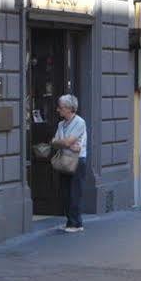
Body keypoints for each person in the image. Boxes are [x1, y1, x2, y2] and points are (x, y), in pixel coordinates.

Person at [54, 94, 88, 232]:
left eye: (60, 107)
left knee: (74, 192)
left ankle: (76, 223)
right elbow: (54, 142)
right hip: (64, 160)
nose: (58, 110)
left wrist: (63, 143)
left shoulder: (80, 122)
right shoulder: (60, 124)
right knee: (65, 192)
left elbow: (64, 141)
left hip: (77, 160)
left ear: (69, 108)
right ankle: (71, 222)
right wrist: (65, 143)